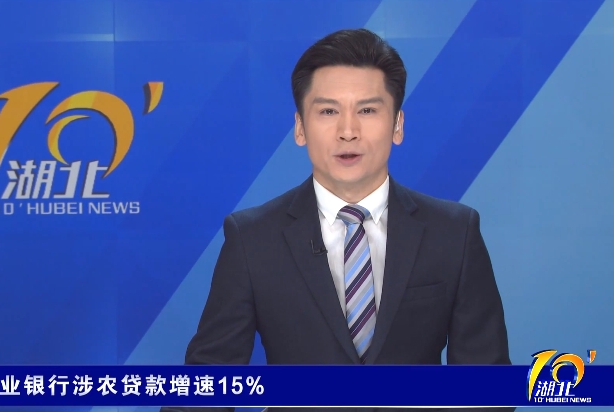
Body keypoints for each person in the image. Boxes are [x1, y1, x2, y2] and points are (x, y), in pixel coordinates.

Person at [164, 28, 511, 411]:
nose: (348, 132)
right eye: (328, 111)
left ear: (397, 125)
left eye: (367, 110)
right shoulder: (252, 239)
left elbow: (487, 387)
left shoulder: (454, 232)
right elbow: (205, 386)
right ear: (300, 128)